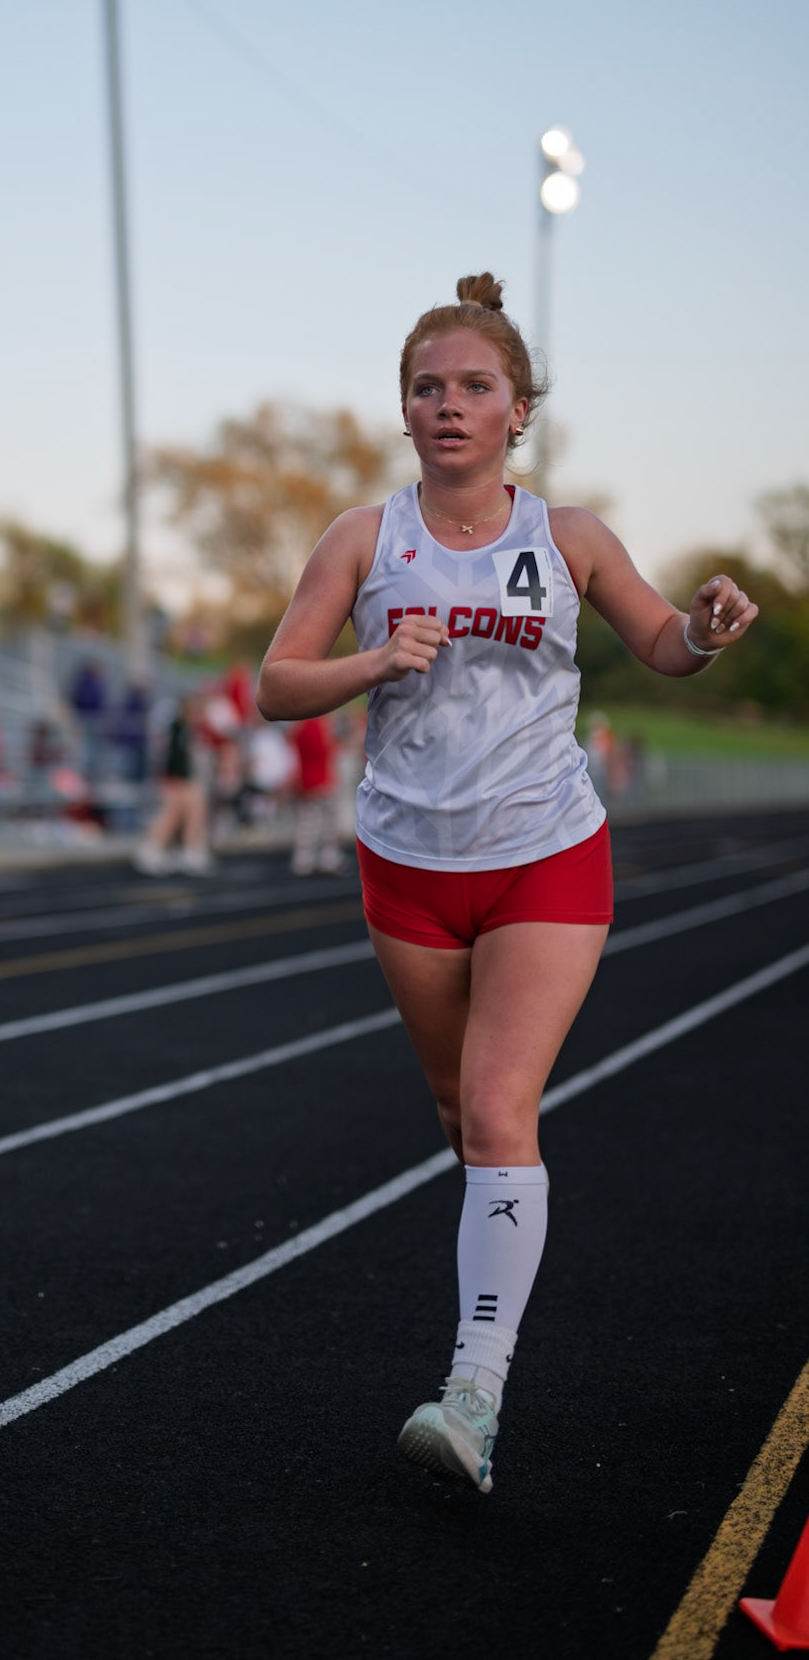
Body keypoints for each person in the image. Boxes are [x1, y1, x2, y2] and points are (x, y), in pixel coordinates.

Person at [256, 271, 757, 1494]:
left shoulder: (568, 536)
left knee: (494, 1109)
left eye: (475, 385)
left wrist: (704, 628)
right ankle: (501, 1239)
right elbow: (276, 683)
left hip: (545, 852)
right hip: (409, 865)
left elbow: (662, 641)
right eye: (427, 386)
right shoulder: (363, 538)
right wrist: (375, 658)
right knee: (459, 1117)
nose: (449, 404)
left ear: (518, 410)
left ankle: (472, 1396)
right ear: (405, 409)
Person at [134, 696, 213, 875]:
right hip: (177, 779)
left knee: (186, 813)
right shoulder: (178, 728)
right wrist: (178, 779)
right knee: (175, 814)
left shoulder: (186, 729)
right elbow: (174, 758)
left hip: (180, 778)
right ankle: (160, 850)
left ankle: (187, 849)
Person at [288, 710, 344, 875]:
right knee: (329, 824)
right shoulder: (319, 726)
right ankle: (329, 858)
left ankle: (303, 859)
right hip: (323, 779)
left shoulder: (299, 728)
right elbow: (327, 751)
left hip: (305, 779)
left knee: (307, 824)